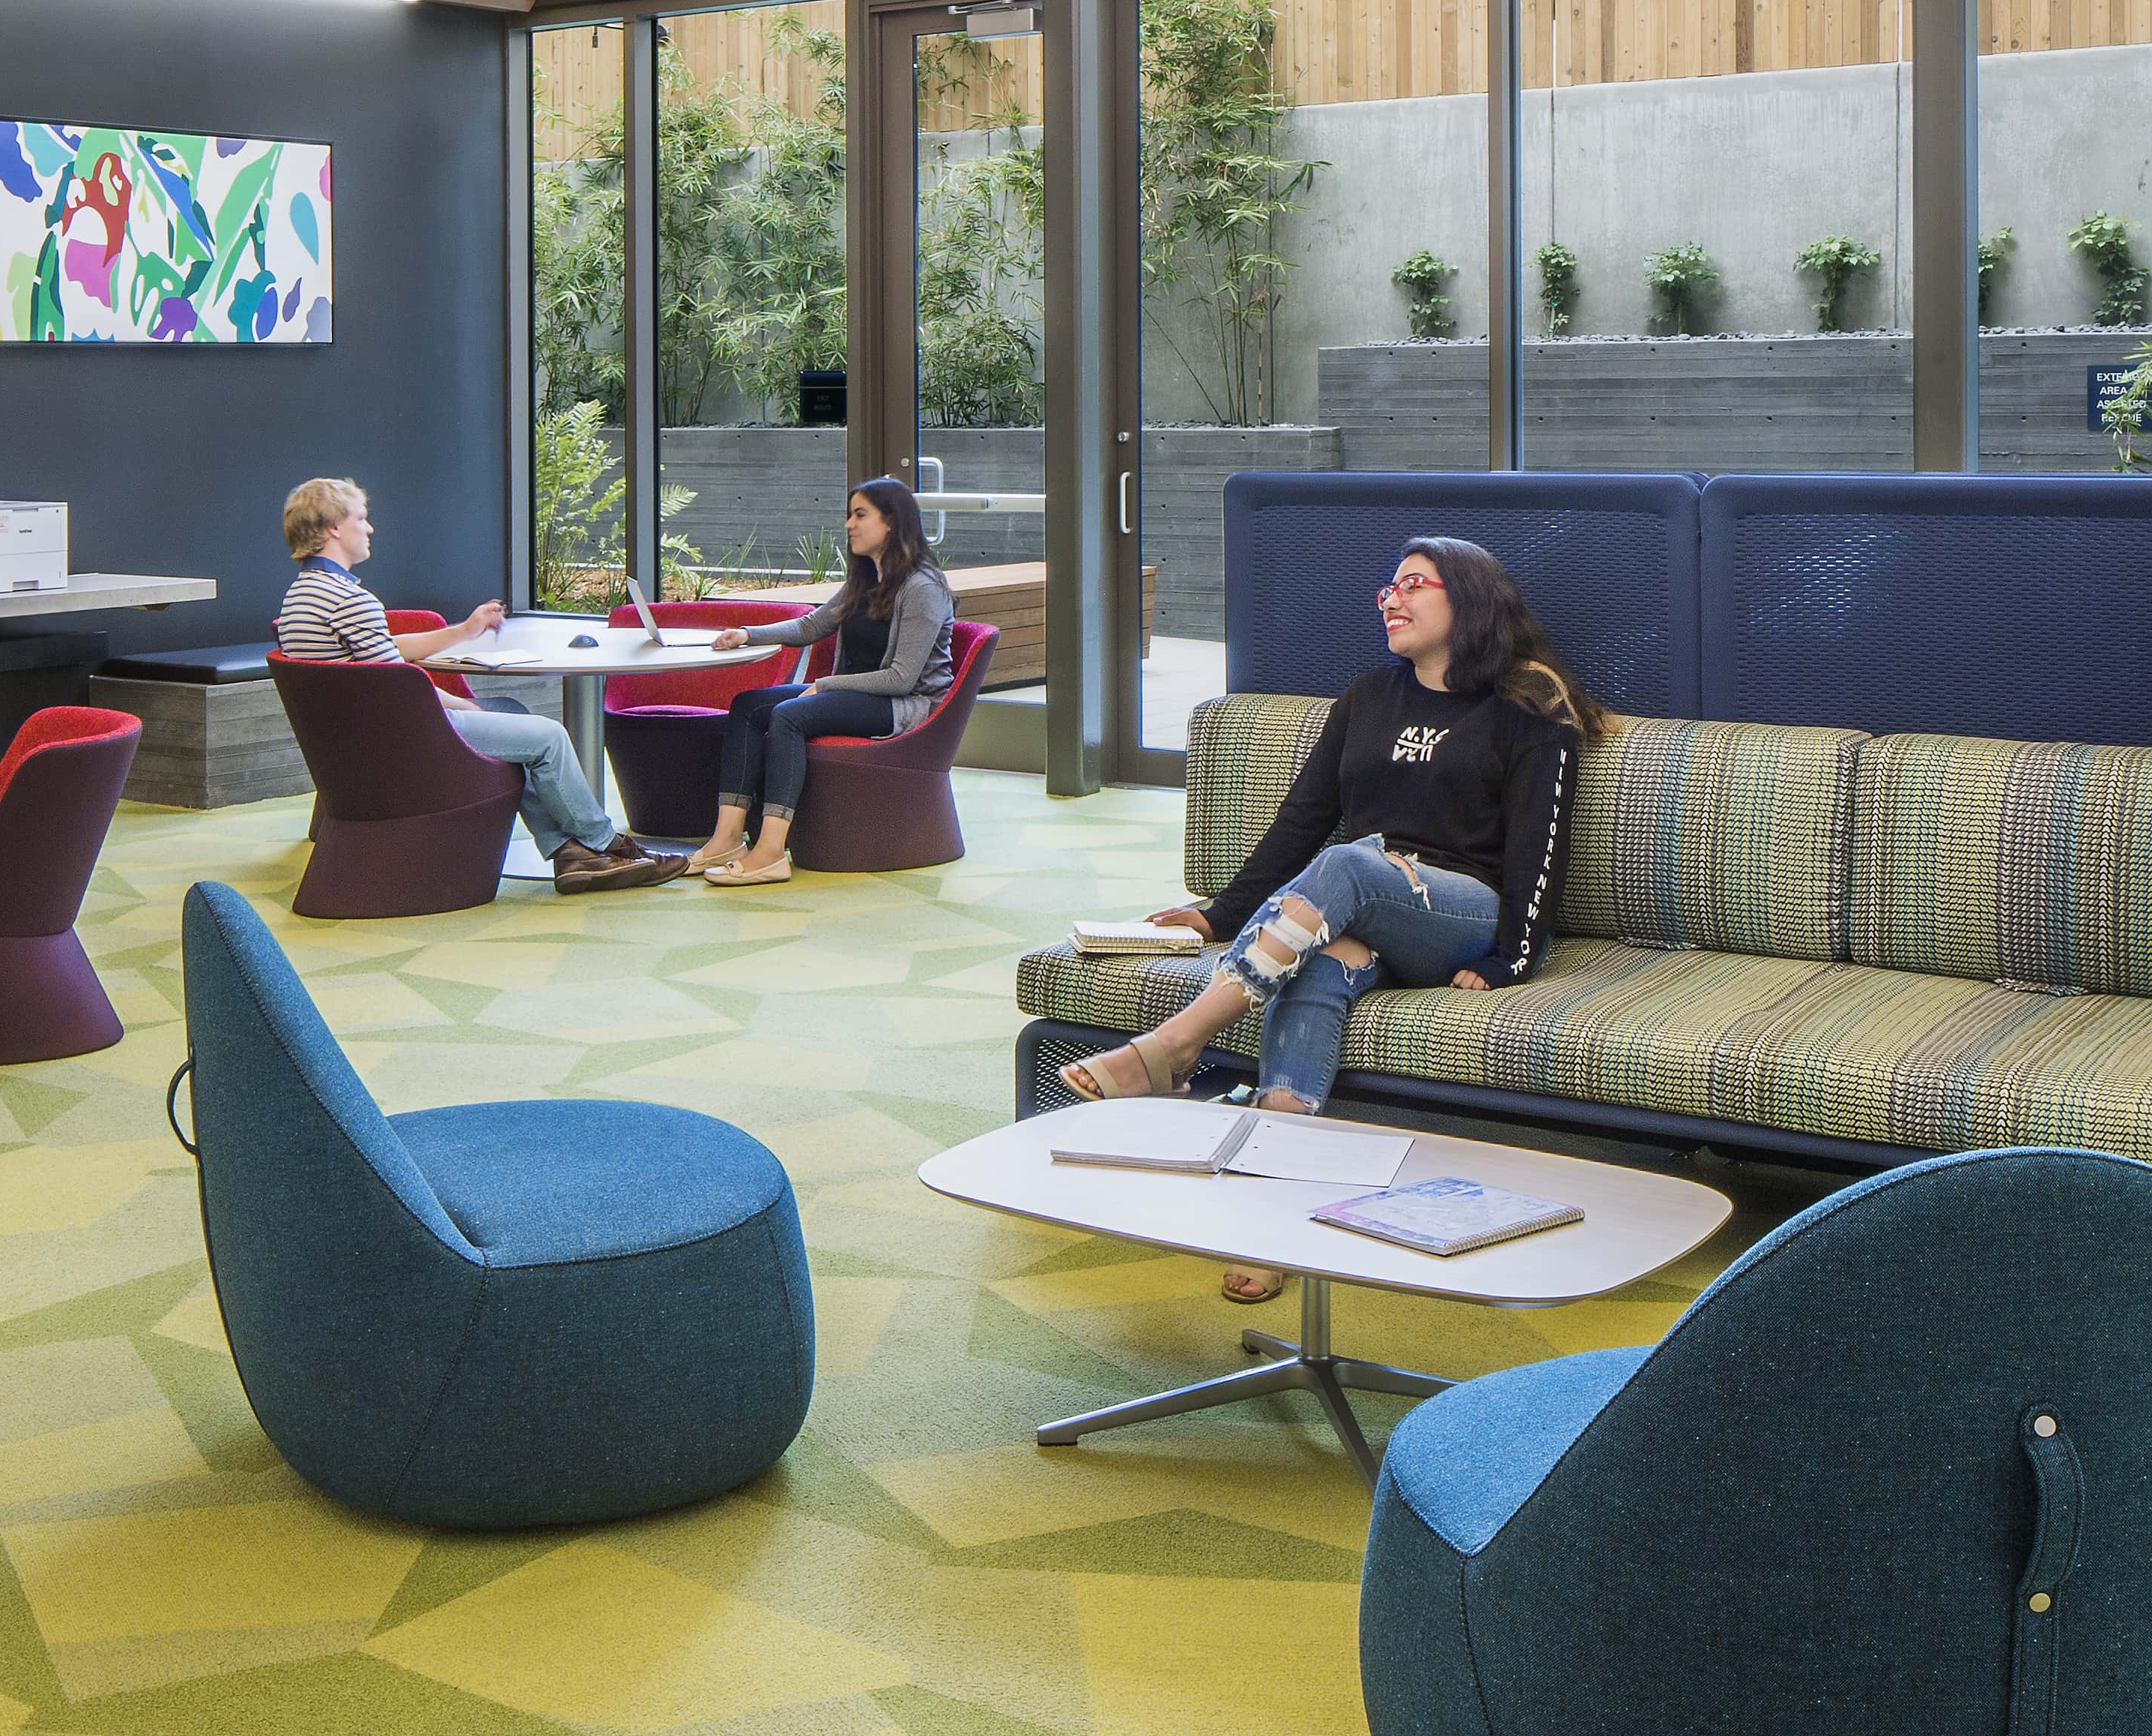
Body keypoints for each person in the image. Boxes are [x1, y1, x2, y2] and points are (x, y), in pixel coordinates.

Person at [1060, 537, 1605, 1294]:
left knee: (1350, 862)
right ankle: (1270, 1220)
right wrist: (1218, 915)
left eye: (1414, 585)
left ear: (1471, 600)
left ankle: (1175, 1045)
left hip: (1463, 914)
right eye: (1388, 588)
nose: (1392, 599)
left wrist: (1510, 956)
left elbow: (1540, 848)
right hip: (1361, 911)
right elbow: (1302, 820)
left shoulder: (1528, 704)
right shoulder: (1367, 699)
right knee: (1316, 965)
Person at [272, 479, 676, 891]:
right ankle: (605, 843)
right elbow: (397, 691)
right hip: (398, 738)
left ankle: (570, 853)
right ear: (334, 528)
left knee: (512, 712)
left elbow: (385, 651)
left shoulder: (303, 595)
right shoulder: (351, 601)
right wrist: (465, 707)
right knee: (549, 737)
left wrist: (465, 630)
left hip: (358, 739)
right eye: (361, 518)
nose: (369, 528)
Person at [686, 476, 957, 889]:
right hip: (858, 694)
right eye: (850, 515)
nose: (849, 524)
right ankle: (727, 840)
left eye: (860, 515)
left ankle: (770, 852)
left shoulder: (923, 588)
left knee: (789, 715)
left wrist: (827, 686)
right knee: (748, 706)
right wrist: (747, 634)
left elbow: (902, 679)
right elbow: (811, 625)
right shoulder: (866, 580)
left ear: (891, 523)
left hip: (903, 705)